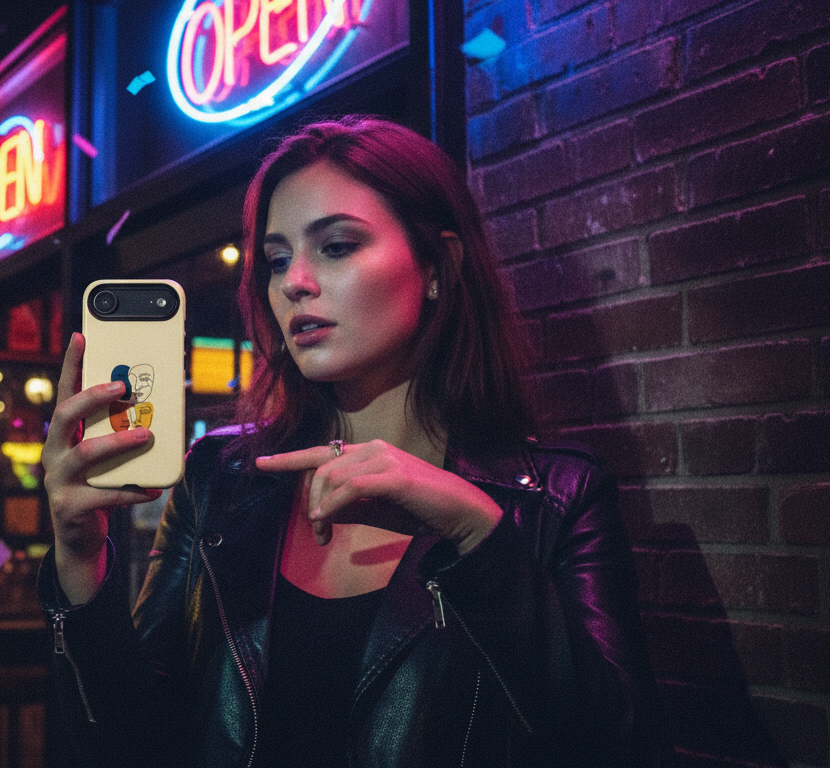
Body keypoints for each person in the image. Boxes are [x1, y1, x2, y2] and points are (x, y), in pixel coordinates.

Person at [38, 116, 668, 767]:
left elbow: (618, 746)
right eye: (278, 260)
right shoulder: (220, 481)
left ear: (437, 266)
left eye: (335, 246)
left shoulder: (554, 497)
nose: (293, 282)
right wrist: (81, 563)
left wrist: (478, 535)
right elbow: (132, 744)